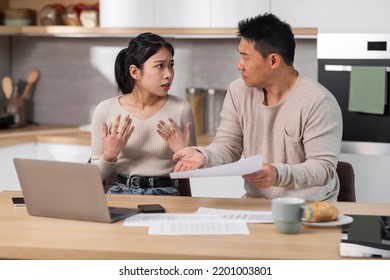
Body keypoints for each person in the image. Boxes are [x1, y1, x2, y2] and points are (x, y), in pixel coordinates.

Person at [172, 13, 343, 201]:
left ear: (273, 61)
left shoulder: (318, 101)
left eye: (245, 57)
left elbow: (323, 168)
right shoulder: (238, 91)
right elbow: (228, 146)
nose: (239, 65)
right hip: (256, 205)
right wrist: (203, 155)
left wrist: (278, 174)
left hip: (308, 209)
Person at [90, 32, 197, 195]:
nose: (169, 74)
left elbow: (192, 173)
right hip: (120, 193)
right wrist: (109, 156)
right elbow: (94, 176)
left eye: (171, 65)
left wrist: (184, 154)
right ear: (135, 72)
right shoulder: (105, 110)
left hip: (167, 192)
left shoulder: (181, 109)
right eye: (160, 66)